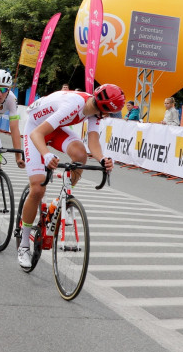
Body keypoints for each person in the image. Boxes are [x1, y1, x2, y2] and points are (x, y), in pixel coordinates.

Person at [17, 84, 123, 269]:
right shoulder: (73, 105)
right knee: (37, 188)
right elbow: (37, 133)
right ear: (103, 109)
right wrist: (46, 155)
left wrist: (102, 159)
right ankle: (24, 245)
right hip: (35, 129)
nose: (106, 117)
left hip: (55, 128)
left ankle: (62, 199)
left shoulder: (94, 109)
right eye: (107, 113)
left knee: (80, 156)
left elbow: (93, 141)